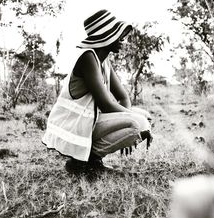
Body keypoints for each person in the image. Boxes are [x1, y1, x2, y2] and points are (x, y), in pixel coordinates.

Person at [42, 9, 152, 175]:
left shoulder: (104, 60)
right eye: (118, 34)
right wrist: (133, 122)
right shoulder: (88, 57)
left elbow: (123, 97)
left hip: (91, 121)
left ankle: (92, 161)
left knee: (144, 118)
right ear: (106, 36)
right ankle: (81, 162)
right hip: (76, 124)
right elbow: (106, 105)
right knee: (140, 122)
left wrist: (132, 123)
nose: (123, 39)